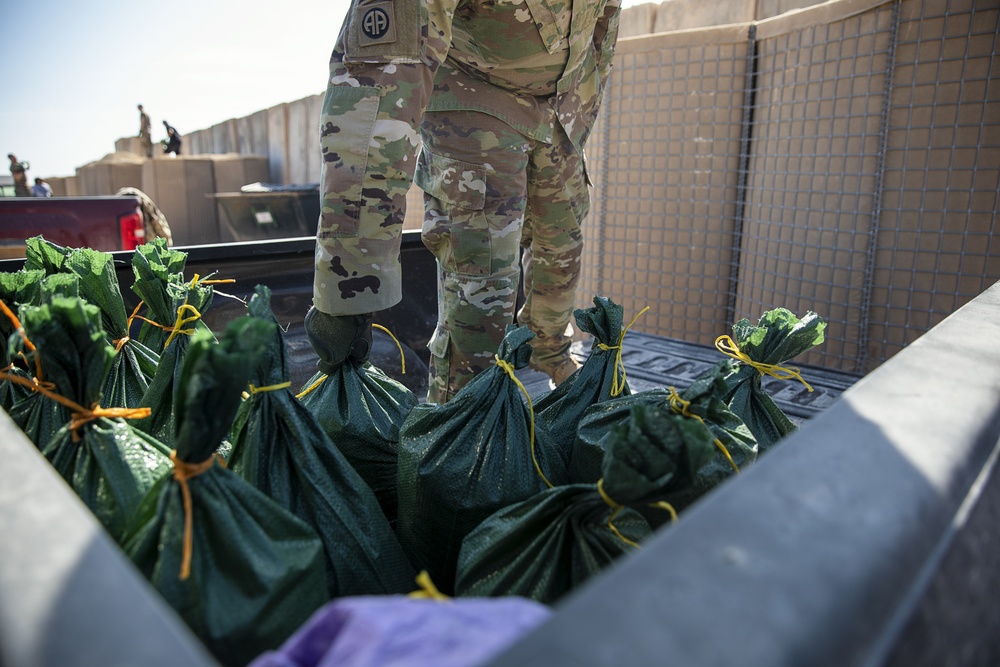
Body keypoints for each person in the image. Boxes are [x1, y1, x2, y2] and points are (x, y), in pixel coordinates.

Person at [305, 0, 622, 404]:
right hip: (473, 103)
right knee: (481, 282)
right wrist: (348, 283)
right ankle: (459, 419)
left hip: (561, 112)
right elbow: (376, 91)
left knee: (561, 249)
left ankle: (549, 355)